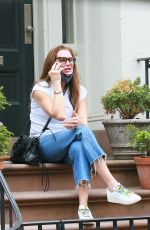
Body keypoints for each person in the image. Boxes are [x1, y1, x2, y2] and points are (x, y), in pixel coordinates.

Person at [29, 45, 141, 220]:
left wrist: (75, 121)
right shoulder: (40, 89)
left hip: (68, 143)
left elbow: (83, 123)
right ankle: (113, 185)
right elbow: (58, 114)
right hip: (44, 144)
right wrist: (57, 82)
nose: (68, 63)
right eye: (62, 59)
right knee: (80, 133)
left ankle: (83, 207)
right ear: (52, 63)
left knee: (79, 147)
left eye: (71, 60)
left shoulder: (80, 91)